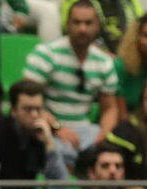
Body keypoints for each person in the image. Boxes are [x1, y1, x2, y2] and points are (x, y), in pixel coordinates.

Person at [23, 0, 119, 167]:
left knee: (109, 156)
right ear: (67, 25)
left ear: (97, 26)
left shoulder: (104, 62)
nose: (82, 29)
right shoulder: (46, 54)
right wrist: (57, 128)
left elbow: (110, 108)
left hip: (86, 130)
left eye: (88, 23)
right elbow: (27, 101)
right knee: (58, 151)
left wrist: (103, 136)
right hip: (48, 127)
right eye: (77, 22)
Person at [59, 0, 143, 54]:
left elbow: (141, 29)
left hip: (128, 57)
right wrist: (103, 54)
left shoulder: (131, 2)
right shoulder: (72, 3)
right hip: (91, 57)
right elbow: (72, 35)